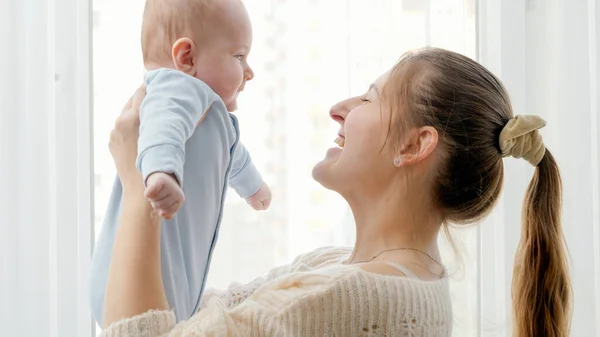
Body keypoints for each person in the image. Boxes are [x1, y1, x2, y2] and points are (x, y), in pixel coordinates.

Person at [100, 47, 571, 337]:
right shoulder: (343, 269)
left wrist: (137, 188)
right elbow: (194, 315)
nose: (338, 109)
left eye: (369, 98)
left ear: (414, 145)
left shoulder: (346, 296)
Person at [90, 0, 272, 326]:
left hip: (174, 274)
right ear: (186, 58)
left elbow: (235, 156)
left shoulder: (215, 116)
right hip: (138, 268)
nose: (249, 71)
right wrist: (162, 172)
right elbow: (162, 130)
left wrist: (253, 186)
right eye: (239, 56)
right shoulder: (175, 89)